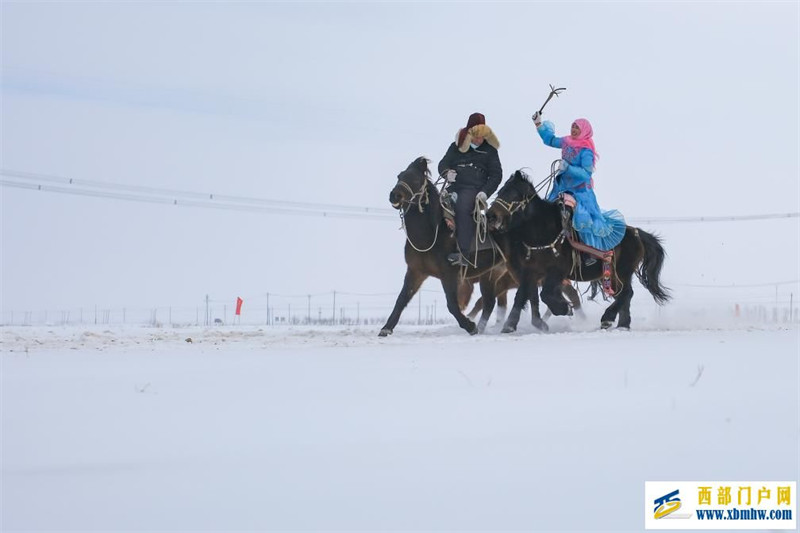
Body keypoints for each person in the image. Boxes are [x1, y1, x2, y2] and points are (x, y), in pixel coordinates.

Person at [531, 111, 626, 264]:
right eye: (572, 126)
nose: (573, 130)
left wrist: (568, 167)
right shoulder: (567, 141)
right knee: (547, 210)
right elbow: (550, 140)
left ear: (584, 131)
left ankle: (587, 253)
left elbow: (586, 174)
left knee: (581, 218)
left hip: (580, 192)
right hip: (562, 187)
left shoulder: (586, 150)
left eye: (577, 128)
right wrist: (539, 124)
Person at [438, 112, 502, 266]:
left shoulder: (490, 151)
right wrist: (447, 173)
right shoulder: (456, 147)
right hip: (454, 186)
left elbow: (496, 175)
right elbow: (443, 164)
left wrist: (485, 192)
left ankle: (464, 254)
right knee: (438, 202)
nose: (479, 139)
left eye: (482, 136)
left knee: (462, 206)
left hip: (474, 189)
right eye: (476, 135)